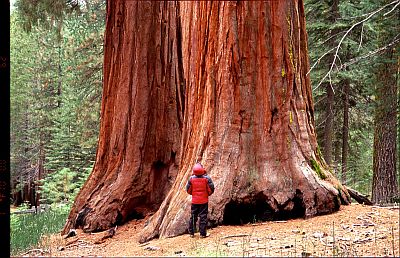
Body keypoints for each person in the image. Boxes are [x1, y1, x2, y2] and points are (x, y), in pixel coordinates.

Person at [186, 163, 215, 238]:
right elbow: (211, 189)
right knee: (203, 217)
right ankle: (202, 234)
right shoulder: (207, 178)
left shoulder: (191, 179)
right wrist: (207, 194)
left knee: (193, 216)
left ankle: (191, 233)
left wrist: (194, 194)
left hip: (194, 201)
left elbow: (188, 190)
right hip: (204, 201)